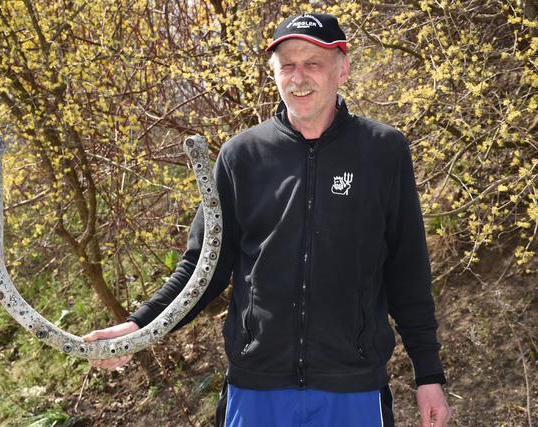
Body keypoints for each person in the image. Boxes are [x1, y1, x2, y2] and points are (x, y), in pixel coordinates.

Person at [83, 12, 451, 427]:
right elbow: (202, 268)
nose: (299, 78)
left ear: (342, 68)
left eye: (313, 63)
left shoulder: (383, 151)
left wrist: (429, 374)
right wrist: (140, 327)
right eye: (287, 65)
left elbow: (409, 271)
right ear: (272, 72)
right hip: (256, 389)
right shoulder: (241, 156)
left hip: (353, 389)